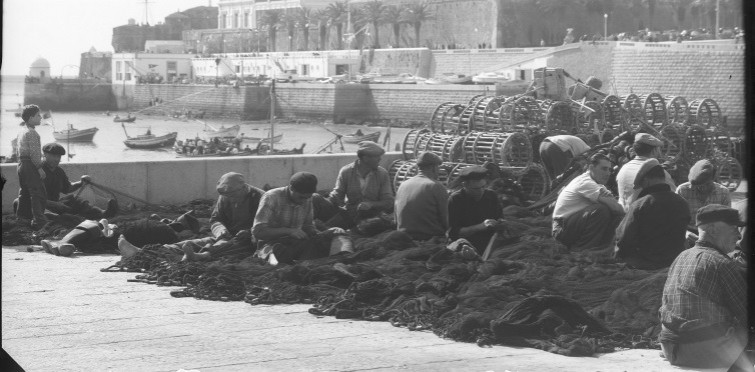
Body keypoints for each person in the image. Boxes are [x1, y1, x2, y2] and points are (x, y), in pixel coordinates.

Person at [658, 205, 751, 371]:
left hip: (671, 348)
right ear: (712, 229)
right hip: (703, 352)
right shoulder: (721, 263)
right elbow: (746, 314)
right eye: (733, 228)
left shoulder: (682, 256)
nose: (738, 236)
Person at [119, 172, 263, 261]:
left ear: (243, 188)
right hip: (227, 235)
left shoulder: (261, 198)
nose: (229, 199)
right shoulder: (225, 197)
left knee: (223, 247)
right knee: (194, 243)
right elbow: (216, 219)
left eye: (232, 196)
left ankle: (200, 256)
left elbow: (267, 224)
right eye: (226, 196)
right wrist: (220, 230)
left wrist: (249, 232)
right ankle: (146, 252)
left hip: (250, 241)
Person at [252, 172, 346, 265]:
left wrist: (323, 234)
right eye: (301, 197)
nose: (303, 201)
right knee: (277, 252)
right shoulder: (271, 197)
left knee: (336, 234)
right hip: (270, 245)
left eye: (307, 197)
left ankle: (340, 259)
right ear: (291, 188)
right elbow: (258, 232)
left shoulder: (308, 199)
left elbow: (308, 227)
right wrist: (289, 231)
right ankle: (292, 265)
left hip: (297, 244)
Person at [614, 161, 690, 269]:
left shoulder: (640, 205)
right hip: (676, 262)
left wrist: (618, 257)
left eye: (643, 184)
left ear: (646, 181)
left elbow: (623, 239)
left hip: (646, 264)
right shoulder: (682, 202)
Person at [14, 143, 118, 221]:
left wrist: (81, 182)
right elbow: (30, 195)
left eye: (58, 157)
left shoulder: (59, 171)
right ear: (45, 154)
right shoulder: (37, 170)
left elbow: (67, 188)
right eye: (54, 156)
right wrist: (54, 204)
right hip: (39, 205)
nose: (57, 159)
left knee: (75, 201)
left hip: (56, 203)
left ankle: (102, 213)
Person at [551, 153, 624, 251]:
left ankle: (602, 246)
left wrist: (611, 202)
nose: (608, 173)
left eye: (609, 170)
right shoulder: (586, 183)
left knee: (614, 214)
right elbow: (617, 207)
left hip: (572, 224)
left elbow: (617, 208)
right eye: (604, 169)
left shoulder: (598, 184)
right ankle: (582, 249)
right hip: (561, 229)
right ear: (591, 167)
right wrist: (611, 202)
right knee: (601, 210)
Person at [315, 141, 394, 229]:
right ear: (365, 158)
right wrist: (323, 201)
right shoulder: (346, 171)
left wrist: (371, 204)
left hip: (373, 216)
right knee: (327, 229)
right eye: (377, 157)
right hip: (350, 214)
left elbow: (388, 202)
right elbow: (337, 196)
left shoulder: (382, 174)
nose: (380, 159)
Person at [447, 165, 503, 255]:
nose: (481, 191)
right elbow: (454, 233)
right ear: (465, 185)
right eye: (476, 189)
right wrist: (480, 227)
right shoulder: (455, 200)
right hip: (465, 245)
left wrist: (499, 224)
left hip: (489, 243)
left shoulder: (491, 196)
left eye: (483, 187)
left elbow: (500, 219)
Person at [395, 152, 448, 241]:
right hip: (429, 239)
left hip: (403, 238)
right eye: (438, 167)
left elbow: (396, 220)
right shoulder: (436, 186)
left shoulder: (403, 185)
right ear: (433, 168)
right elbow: (446, 222)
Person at [615, 133, 675, 211]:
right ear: (654, 151)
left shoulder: (623, 168)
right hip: (644, 218)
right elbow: (674, 197)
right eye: (658, 150)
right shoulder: (658, 173)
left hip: (624, 217)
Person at [15, 104, 48, 229]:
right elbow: (34, 153)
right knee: (38, 192)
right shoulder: (32, 133)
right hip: (29, 164)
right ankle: (39, 220)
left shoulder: (22, 131)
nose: (41, 117)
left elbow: (18, 151)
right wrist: (39, 168)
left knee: (24, 193)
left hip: (21, 164)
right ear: (30, 118)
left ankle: (22, 218)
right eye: (38, 115)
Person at [675, 159, 731, 230]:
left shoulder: (723, 192)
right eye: (699, 186)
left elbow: (728, 221)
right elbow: (676, 220)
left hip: (714, 235)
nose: (703, 188)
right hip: (689, 233)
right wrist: (687, 233)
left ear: (713, 178)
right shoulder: (682, 190)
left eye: (707, 184)